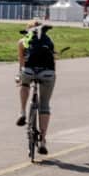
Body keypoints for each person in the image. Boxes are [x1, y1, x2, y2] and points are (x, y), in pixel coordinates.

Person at [16, 20, 57, 156]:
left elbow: (22, 61)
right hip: (47, 73)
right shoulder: (48, 41)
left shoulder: (22, 41)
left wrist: (19, 75)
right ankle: (43, 140)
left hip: (29, 71)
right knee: (44, 105)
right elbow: (53, 59)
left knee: (24, 84)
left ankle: (22, 112)